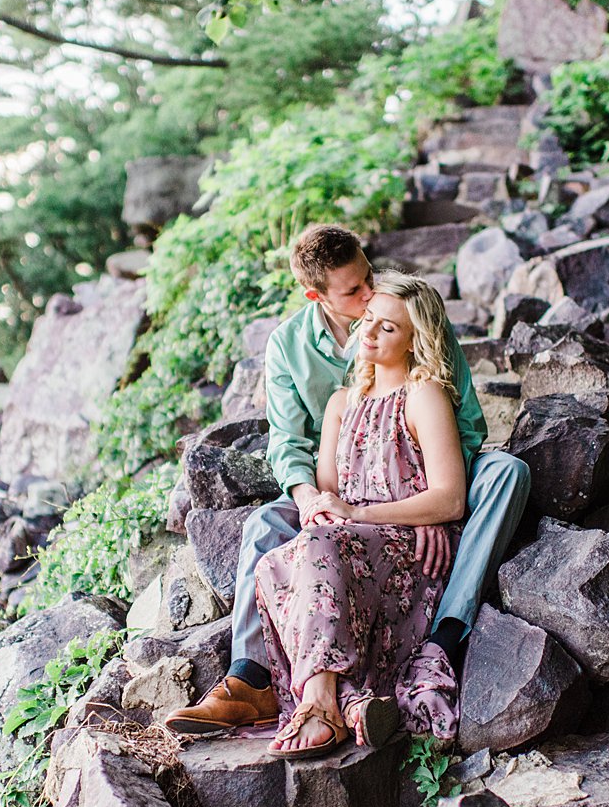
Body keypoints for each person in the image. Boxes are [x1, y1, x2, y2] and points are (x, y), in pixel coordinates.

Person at [164, 224, 530, 736]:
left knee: (507, 472)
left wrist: (426, 501)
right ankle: (251, 678)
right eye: (354, 292)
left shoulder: (409, 311)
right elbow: (288, 444)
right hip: (338, 487)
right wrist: (314, 497)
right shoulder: (288, 345)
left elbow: (466, 420)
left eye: (369, 277)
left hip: (423, 469)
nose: (368, 295)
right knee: (268, 525)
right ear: (317, 295)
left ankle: (446, 634)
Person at [258, 272, 467, 758]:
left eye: (388, 328)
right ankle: (346, 699)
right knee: (273, 564)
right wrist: (333, 512)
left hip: (406, 550)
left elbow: (451, 497)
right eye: (368, 320)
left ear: (417, 340)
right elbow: (329, 495)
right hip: (348, 546)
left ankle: (318, 705)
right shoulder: (340, 404)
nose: (369, 333)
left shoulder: (424, 396)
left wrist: (356, 511)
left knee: (317, 548)